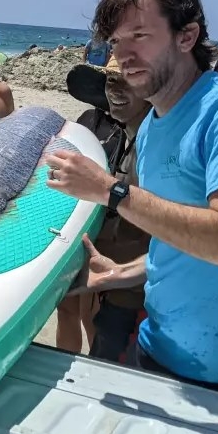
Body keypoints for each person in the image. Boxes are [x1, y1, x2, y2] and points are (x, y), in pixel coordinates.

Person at [46, 0, 218, 409]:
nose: (124, 55)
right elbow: (183, 238)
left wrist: (112, 190)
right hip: (159, 350)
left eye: (140, 36)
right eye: (115, 42)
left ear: (187, 37)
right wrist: (123, 272)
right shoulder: (152, 128)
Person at [54, 56, 152, 361]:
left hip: (130, 268)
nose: (118, 90)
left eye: (128, 81)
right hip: (91, 246)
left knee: (101, 331)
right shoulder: (91, 123)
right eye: (112, 80)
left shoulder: (154, 140)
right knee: (74, 313)